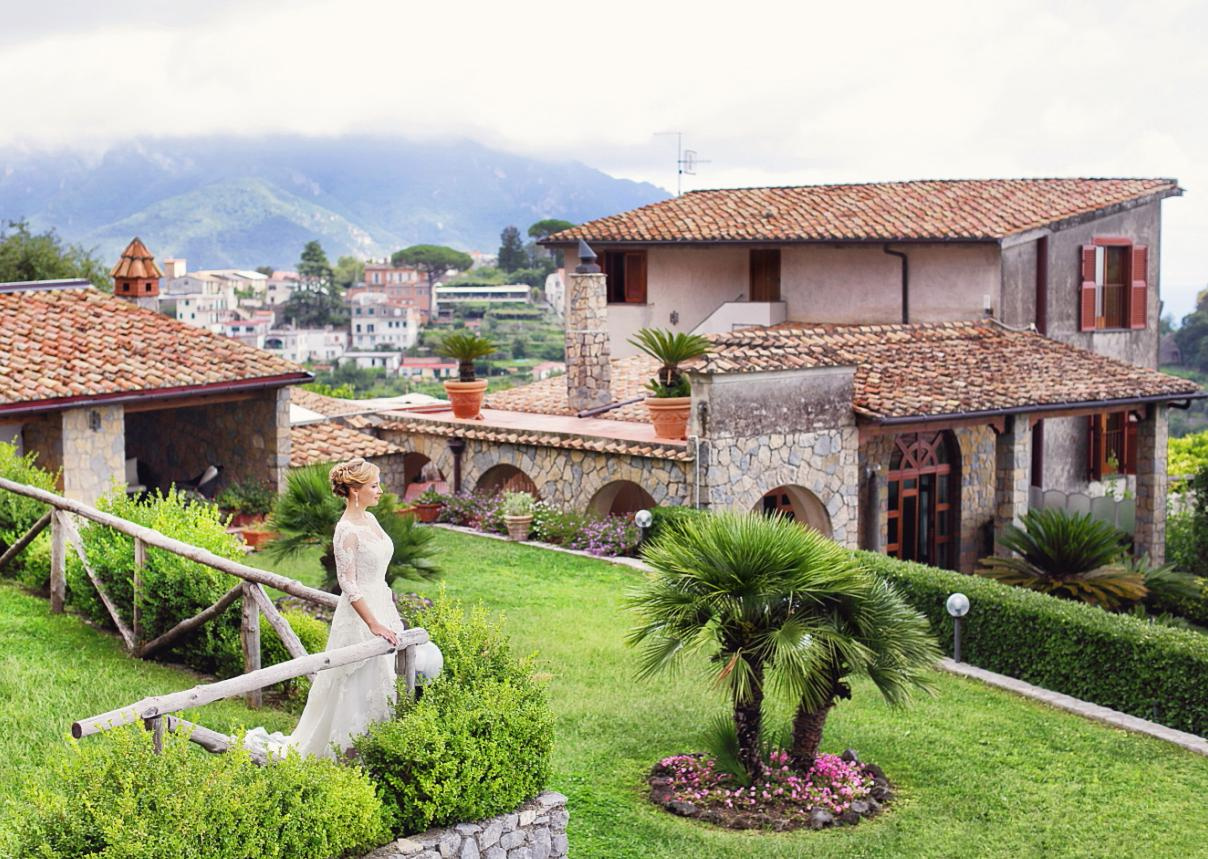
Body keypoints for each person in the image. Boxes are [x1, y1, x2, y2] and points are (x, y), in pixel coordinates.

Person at [245, 458, 405, 759]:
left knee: (386, 677)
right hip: (362, 616)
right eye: (374, 485)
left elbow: (378, 569)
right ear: (355, 491)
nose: (380, 490)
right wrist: (374, 624)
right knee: (356, 680)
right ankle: (344, 753)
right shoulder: (345, 530)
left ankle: (381, 749)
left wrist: (389, 611)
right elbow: (349, 584)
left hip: (383, 605)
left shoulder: (371, 520)